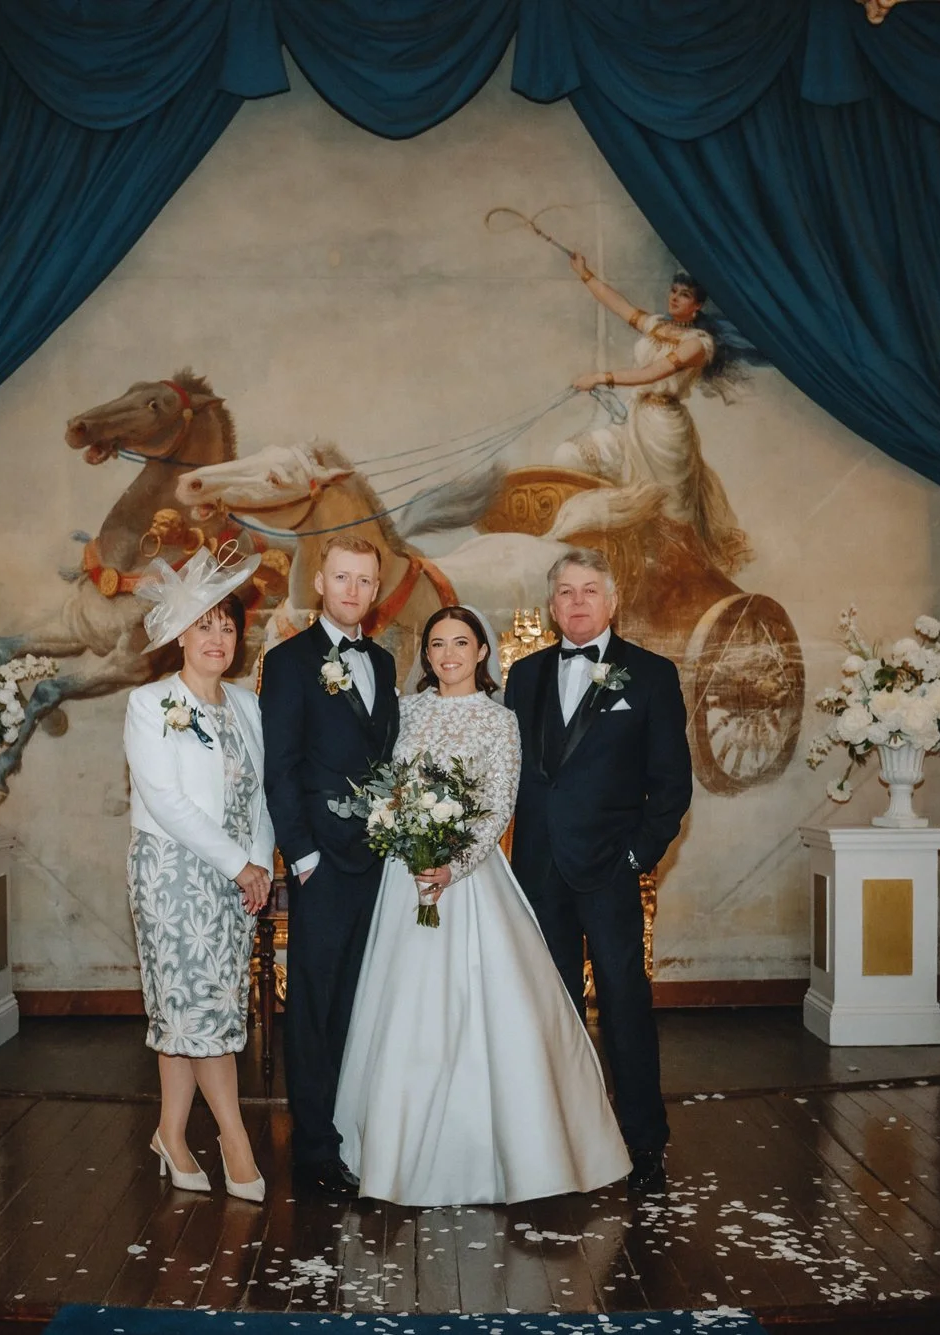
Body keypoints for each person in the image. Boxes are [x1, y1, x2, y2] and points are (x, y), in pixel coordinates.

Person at [334, 606, 630, 1206]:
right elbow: (387, 787)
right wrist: (405, 837)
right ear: (427, 654)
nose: (448, 654)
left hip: (469, 881)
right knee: (401, 1008)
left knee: (487, 1007)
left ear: (481, 653)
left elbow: (498, 808)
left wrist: (452, 865)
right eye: (437, 643)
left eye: (460, 643)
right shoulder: (407, 711)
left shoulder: (500, 723)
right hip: (404, 878)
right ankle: (391, 1150)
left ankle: (505, 1154)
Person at [504, 548, 693, 1194]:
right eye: (565, 592)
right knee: (550, 1007)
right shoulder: (523, 676)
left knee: (624, 1003)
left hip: (610, 869)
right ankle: (561, 1134)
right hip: (536, 869)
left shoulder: (650, 675)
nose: (577, 602)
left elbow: (671, 785)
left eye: (590, 591)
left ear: (612, 603)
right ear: (550, 605)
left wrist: (638, 855)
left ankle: (643, 1139)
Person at [124, 545, 273, 1202]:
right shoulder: (149, 702)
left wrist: (259, 865)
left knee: (189, 1014)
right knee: (203, 1011)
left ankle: (170, 1132)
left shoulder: (247, 705)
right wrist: (238, 862)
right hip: (173, 876)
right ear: (180, 632)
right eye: (205, 624)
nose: (217, 637)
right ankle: (236, 1142)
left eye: (227, 626)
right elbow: (167, 801)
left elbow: (258, 796)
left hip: (236, 880)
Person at [259, 535, 401, 1197]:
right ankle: (314, 1149)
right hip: (323, 864)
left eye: (365, 581)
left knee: (361, 1002)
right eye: (342, 577)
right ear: (321, 581)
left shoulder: (386, 662)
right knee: (313, 1008)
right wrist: (304, 856)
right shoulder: (289, 661)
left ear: (376, 589)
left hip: (381, 862)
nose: (352, 590)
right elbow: (280, 769)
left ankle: (354, 1128)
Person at [552, 255, 751, 577]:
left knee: (669, 516)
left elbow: (655, 372)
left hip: (665, 432)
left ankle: (675, 580)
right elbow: (618, 304)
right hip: (634, 421)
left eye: (684, 294)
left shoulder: (699, 343)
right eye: (673, 290)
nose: (674, 297)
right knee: (569, 455)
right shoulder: (658, 325)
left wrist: (601, 377)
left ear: (697, 305)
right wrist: (585, 274)